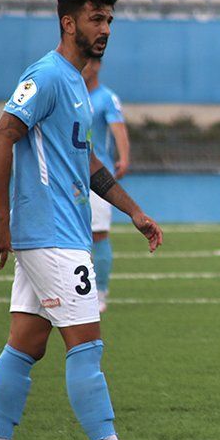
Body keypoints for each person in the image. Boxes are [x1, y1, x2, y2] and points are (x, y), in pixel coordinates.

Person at [0, 0, 173, 440]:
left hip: (57, 234)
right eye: (95, 19)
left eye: (109, 20)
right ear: (69, 23)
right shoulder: (45, 76)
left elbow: (84, 160)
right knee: (86, 346)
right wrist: (1, 220)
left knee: (25, 345)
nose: (105, 29)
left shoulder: (78, 85)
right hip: (52, 237)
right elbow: (0, 137)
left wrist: (134, 211)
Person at [82, 57, 130, 313]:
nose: (83, 67)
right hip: (71, 177)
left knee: (98, 234)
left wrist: (124, 157)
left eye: (88, 63)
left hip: (99, 179)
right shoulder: (71, 94)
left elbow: (118, 129)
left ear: (97, 65)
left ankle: (100, 293)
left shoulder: (106, 98)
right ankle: (77, 289)